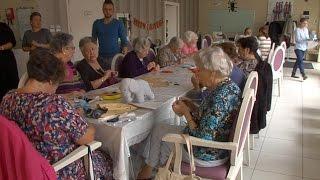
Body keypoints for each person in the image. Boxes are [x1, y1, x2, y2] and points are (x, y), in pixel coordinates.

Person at [0, 50, 113, 179]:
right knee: (108, 157)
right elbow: (87, 137)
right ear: (50, 80)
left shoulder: (7, 99)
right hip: (58, 169)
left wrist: (68, 117)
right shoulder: (53, 104)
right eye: (57, 84)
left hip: (23, 168)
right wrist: (80, 118)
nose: (55, 90)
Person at [137, 47, 241, 179]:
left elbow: (202, 137)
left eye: (200, 70)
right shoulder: (227, 87)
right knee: (160, 127)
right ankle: (150, 170)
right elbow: (212, 119)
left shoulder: (220, 97)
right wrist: (193, 107)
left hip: (206, 153)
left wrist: (186, 113)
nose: (197, 74)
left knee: (165, 142)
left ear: (213, 73)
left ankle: (163, 174)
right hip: (215, 147)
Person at [92, 0, 128, 69]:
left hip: (115, 58)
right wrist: (94, 57)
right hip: (100, 57)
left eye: (110, 9)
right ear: (102, 10)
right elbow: (93, 42)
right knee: (102, 77)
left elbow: (124, 41)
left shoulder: (118, 23)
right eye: (105, 9)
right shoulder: (96, 23)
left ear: (113, 10)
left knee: (115, 78)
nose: (108, 11)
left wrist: (124, 57)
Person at [0, 22, 19, 101]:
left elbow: (12, 42)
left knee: (12, 81)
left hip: (7, 59)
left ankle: (15, 101)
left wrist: (2, 47)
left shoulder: (4, 27)